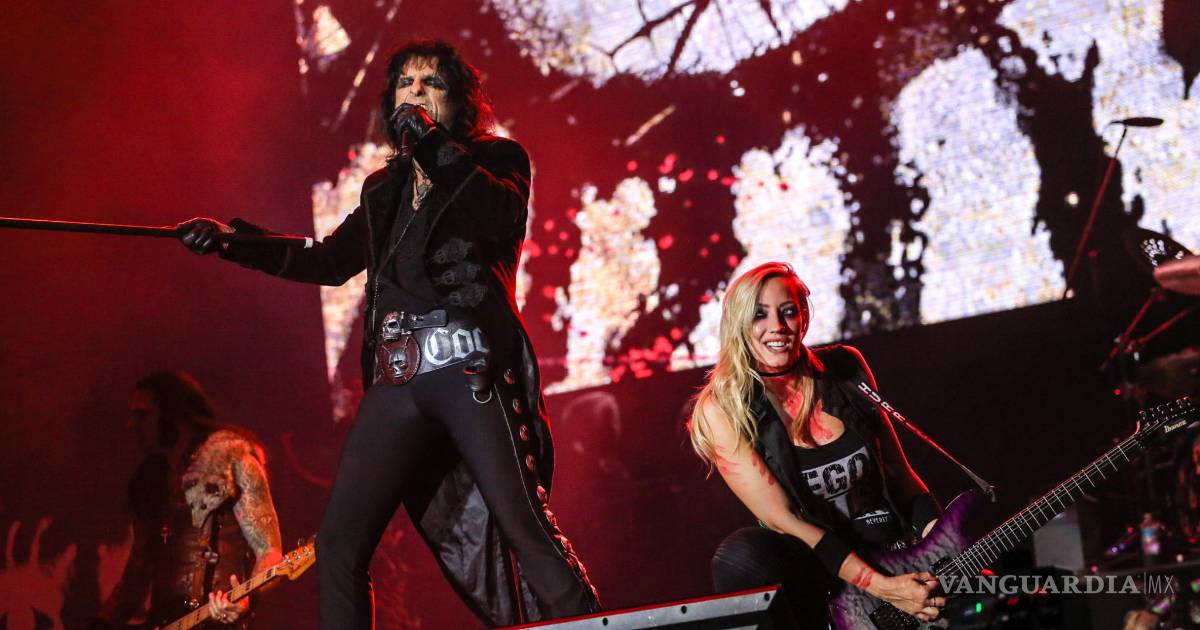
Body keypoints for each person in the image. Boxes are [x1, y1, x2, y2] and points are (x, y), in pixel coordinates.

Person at [178, 39, 599, 628]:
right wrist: (231, 242)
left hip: (468, 368)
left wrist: (430, 142)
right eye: (406, 83)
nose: (415, 92)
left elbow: (496, 215)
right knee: (339, 546)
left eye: (432, 83)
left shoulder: (498, 160)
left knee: (523, 524)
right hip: (397, 380)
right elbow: (329, 261)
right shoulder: (384, 188)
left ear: (459, 101)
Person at [687, 262, 945, 624]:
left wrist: (944, 545)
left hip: (895, 552)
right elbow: (784, 520)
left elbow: (899, 475)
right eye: (759, 315)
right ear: (737, 324)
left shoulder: (844, 368)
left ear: (804, 317)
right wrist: (884, 587)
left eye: (788, 311)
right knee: (742, 553)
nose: (777, 326)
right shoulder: (723, 409)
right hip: (825, 581)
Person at [94, 371, 283, 629]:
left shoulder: (233, 460)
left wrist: (244, 599)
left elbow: (270, 553)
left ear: (173, 413)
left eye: (143, 415)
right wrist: (102, 623)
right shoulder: (150, 480)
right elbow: (138, 571)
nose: (132, 425)